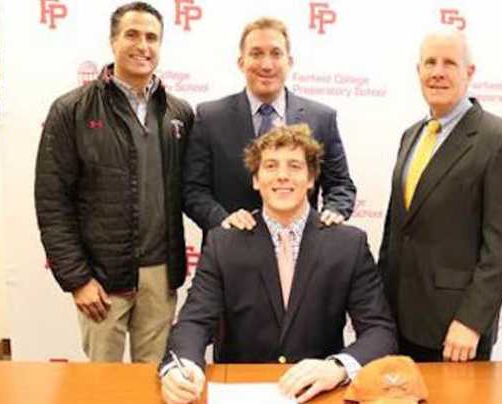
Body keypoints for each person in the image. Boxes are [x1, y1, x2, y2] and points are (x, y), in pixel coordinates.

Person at [160, 124, 396, 404]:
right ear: (256, 180)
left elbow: (380, 332)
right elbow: (194, 322)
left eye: (295, 166)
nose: (282, 176)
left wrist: (337, 367)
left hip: (319, 394)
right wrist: (180, 366)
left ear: (311, 179)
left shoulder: (348, 244)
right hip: (241, 391)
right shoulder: (224, 243)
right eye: (271, 166)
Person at [34, 2, 193, 363]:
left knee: (154, 381)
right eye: (132, 35)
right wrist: (77, 279)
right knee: (101, 388)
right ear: (112, 41)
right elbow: (52, 200)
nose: (143, 46)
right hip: (101, 278)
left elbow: (191, 190)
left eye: (152, 37)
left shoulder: (178, 113)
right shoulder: (72, 110)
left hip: (160, 275)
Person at [378, 28, 502, 363]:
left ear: (469, 72)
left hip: (454, 331)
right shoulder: (411, 135)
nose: (437, 72)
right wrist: (377, 308)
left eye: (449, 63)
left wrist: (472, 322)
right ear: (418, 71)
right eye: (429, 62)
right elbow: (397, 229)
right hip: (396, 323)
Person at [183, 17, 356, 235]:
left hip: (303, 253)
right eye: (256, 54)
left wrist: (334, 211)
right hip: (232, 253)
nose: (266, 65)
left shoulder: (321, 118)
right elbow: (193, 190)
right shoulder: (210, 117)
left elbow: (341, 185)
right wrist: (224, 220)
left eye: (276, 53)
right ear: (241, 62)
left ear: (289, 61)